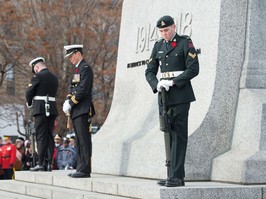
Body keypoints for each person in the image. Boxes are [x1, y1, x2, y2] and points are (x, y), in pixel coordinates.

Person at [145, 15, 199, 187]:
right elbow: (149, 71)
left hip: (181, 94)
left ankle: (176, 176)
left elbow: (193, 68)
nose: (164, 34)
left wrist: (174, 81)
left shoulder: (185, 42)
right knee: (168, 133)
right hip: (164, 95)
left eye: (166, 30)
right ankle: (173, 175)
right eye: (161, 31)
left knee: (179, 135)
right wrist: (157, 83)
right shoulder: (158, 46)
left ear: (174, 27)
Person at [63, 44, 95, 178]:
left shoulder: (85, 68)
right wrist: (67, 100)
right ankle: (80, 167)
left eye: (71, 56)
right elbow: (73, 88)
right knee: (78, 141)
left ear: (77, 53)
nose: (70, 59)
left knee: (84, 140)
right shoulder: (78, 70)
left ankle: (85, 169)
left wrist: (71, 102)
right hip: (77, 110)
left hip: (83, 109)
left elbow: (83, 89)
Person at [26, 57, 59, 172]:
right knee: (50, 135)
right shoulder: (54, 78)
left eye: (34, 69)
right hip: (52, 108)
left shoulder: (37, 76)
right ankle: (49, 163)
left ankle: (41, 163)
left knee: (41, 136)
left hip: (40, 108)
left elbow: (29, 92)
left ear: (36, 67)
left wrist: (29, 103)